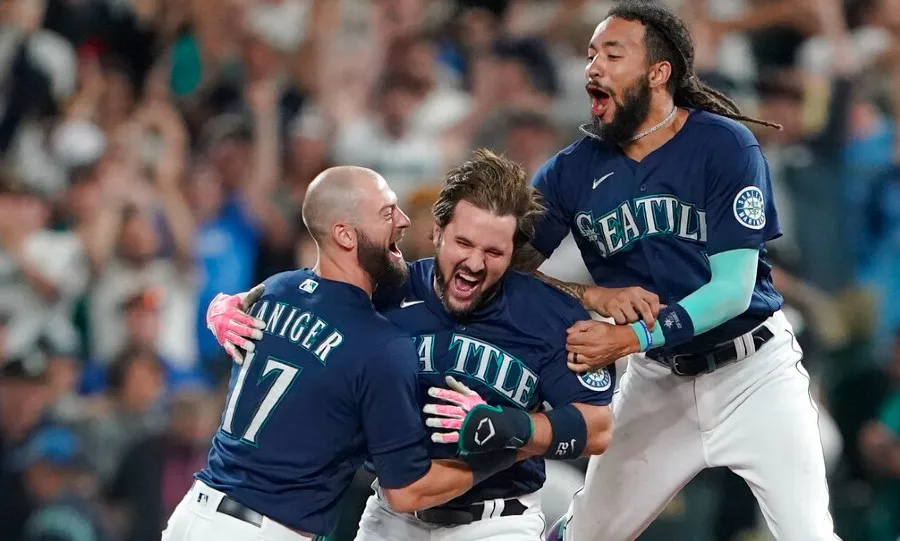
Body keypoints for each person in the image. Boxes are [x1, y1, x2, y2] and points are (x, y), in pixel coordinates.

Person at [503, 2, 838, 540]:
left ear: (659, 73)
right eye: (591, 55)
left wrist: (628, 337)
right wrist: (588, 295)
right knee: (588, 535)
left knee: (808, 534)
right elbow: (509, 269)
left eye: (613, 54)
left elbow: (730, 292)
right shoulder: (571, 170)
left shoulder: (723, 144)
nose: (594, 67)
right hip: (659, 379)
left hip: (754, 373)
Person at [207, 150, 617, 541]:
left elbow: (598, 428)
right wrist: (230, 304)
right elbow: (311, 288)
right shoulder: (387, 289)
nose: (475, 263)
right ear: (437, 232)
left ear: (513, 254)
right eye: (464, 243)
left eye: (494, 252)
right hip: (393, 517)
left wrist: (513, 427)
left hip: (497, 521)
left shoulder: (549, 315)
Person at [161, 166, 522, 541]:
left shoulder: (275, 289)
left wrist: (216, 307)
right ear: (344, 234)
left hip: (194, 515)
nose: (403, 221)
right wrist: (512, 448)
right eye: (387, 212)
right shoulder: (381, 345)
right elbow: (407, 491)